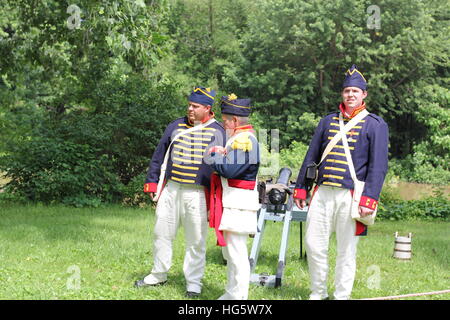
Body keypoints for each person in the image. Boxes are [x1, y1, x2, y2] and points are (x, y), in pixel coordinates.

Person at [293, 65, 389, 300]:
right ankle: (318, 292)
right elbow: (311, 156)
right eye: (347, 91)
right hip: (323, 192)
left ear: (364, 94)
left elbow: (378, 167)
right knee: (314, 245)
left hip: (350, 195)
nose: (351, 95)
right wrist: (301, 188)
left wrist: (370, 199)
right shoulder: (327, 122)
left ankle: (341, 295)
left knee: (347, 250)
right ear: (342, 94)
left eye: (355, 91)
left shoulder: (375, 125)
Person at [135, 87, 225, 298]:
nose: (190, 109)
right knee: (161, 233)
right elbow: (159, 154)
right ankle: (158, 274)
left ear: (207, 108)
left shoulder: (219, 131)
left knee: (196, 240)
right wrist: (152, 182)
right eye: (189, 105)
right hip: (172, 188)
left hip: (197, 193)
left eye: (195, 106)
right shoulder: (176, 125)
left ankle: (193, 283)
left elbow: (223, 167)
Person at [208, 94, 260, 300]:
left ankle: (239, 298)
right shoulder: (238, 140)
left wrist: (213, 155)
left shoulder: (244, 140)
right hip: (233, 201)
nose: (223, 123)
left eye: (225, 119)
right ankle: (231, 294)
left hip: (238, 203)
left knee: (237, 255)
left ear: (235, 121)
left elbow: (229, 170)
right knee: (231, 253)